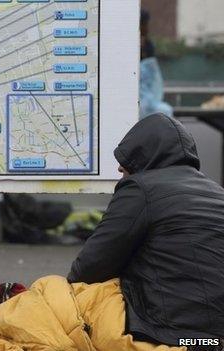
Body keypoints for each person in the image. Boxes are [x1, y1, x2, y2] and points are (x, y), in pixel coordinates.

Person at [68, 114, 224, 345]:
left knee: (52, 294)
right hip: (217, 333)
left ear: (143, 158)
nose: (121, 166)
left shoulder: (140, 188)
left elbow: (88, 269)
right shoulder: (217, 192)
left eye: (128, 160)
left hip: (169, 332)